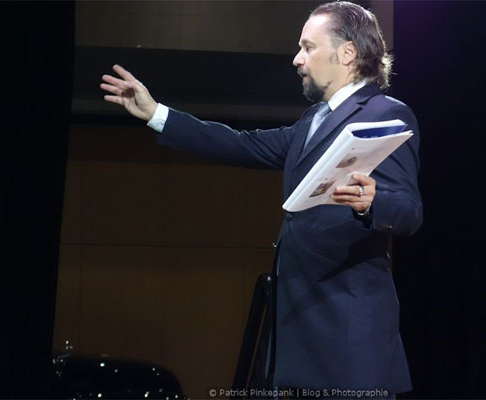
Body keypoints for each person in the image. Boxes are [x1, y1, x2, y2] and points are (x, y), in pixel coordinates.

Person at [101, 1, 422, 395]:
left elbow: (409, 210)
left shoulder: (385, 113)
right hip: (299, 336)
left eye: (308, 47)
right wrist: (157, 114)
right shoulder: (312, 121)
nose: (297, 59)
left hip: (348, 339)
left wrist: (373, 202)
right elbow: (243, 144)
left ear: (347, 53)